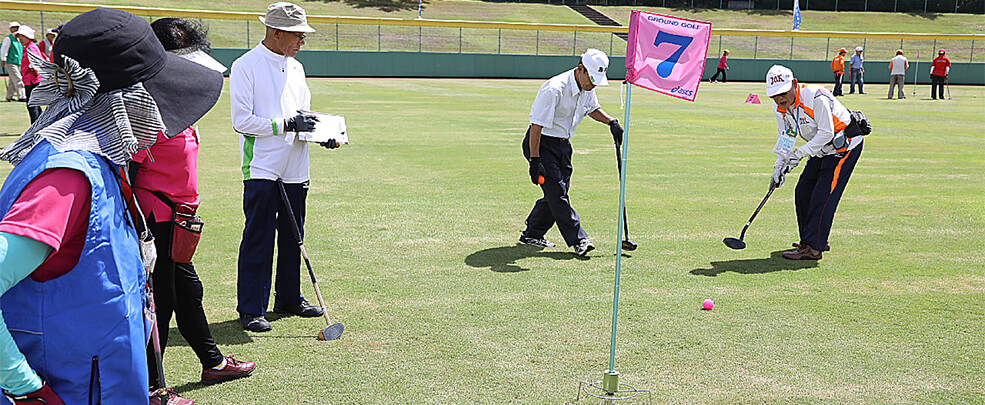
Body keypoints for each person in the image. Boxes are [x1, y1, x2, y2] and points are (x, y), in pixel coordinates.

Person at [0, 7, 222, 404]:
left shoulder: (100, 161)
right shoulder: (67, 177)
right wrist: (24, 386)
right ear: (127, 101)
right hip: (68, 387)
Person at [132, 17, 256, 395]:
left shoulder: (175, 96)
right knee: (163, 302)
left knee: (187, 292)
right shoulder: (143, 104)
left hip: (178, 218)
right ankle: (152, 389)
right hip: (157, 219)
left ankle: (213, 363)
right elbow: (129, 165)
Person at [231, 2, 341, 332]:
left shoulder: (296, 68)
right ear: (276, 33)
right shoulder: (245, 65)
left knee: (295, 235)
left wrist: (323, 135)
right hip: (262, 164)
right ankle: (251, 308)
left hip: (296, 164)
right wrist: (286, 124)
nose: (302, 42)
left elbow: (302, 117)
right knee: (259, 236)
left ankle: (289, 298)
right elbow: (242, 121)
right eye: (297, 35)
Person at [519, 48, 622, 256]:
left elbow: (592, 108)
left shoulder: (587, 86)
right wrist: (535, 160)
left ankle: (532, 233)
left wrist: (610, 122)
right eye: (591, 79)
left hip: (563, 145)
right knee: (557, 194)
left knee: (558, 193)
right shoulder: (554, 89)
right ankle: (579, 239)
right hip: (541, 144)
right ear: (580, 69)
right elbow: (537, 126)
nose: (593, 84)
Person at [765, 65, 863, 261]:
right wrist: (779, 166)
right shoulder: (781, 108)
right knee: (803, 191)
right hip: (820, 150)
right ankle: (811, 239)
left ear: (794, 84)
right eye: (774, 95)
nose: (779, 99)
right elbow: (786, 136)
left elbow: (826, 132)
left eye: (783, 93)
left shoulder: (815, 96)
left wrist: (799, 154)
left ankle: (814, 248)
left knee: (823, 196)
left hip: (844, 149)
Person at [14, 26, 45, 123]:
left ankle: (35, 128)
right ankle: (40, 125)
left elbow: (37, 63)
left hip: (33, 80)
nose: (20, 39)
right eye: (19, 37)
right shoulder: (28, 47)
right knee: (34, 105)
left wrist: (34, 70)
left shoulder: (31, 47)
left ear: (28, 36)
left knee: (32, 105)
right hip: (30, 80)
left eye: (22, 36)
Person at [1, 22, 25, 102]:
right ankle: (22, 96)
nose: (15, 29)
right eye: (13, 27)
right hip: (10, 61)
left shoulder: (19, 39)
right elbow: (4, 49)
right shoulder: (9, 38)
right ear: (10, 29)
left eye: (17, 27)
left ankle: (9, 96)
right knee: (18, 78)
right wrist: (3, 59)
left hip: (18, 61)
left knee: (12, 80)